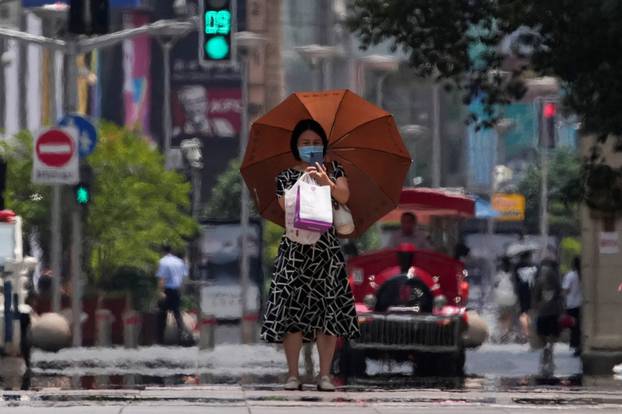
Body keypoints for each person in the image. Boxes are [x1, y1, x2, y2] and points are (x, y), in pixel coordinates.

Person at [260, 119, 359, 392]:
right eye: (306, 143)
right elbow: (284, 205)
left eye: (316, 143)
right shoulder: (285, 176)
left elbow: (344, 195)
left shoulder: (334, 170)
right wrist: (306, 180)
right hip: (295, 249)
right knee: (292, 314)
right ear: (296, 146)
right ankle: (293, 375)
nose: (311, 147)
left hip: (326, 250)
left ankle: (324, 375)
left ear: (324, 146)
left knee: (328, 312)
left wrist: (325, 180)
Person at [532, 259, 564, 377]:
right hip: (553, 313)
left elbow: (535, 297)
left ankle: (546, 351)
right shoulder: (556, 282)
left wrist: (535, 309)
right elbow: (560, 297)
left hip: (543, 313)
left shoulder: (540, 280)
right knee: (552, 337)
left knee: (543, 336)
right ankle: (549, 352)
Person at [156, 244, 189, 345]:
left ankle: (160, 339)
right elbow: (184, 278)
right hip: (177, 290)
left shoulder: (163, 261)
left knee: (162, 314)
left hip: (167, 290)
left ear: (162, 251)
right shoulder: (179, 262)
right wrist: (182, 291)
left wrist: (160, 291)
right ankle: (182, 336)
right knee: (177, 313)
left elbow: (162, 278)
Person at [513, 251, 537, 341]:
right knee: (531, 312)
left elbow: (515, 280)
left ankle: (525, 332)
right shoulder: (535, 266)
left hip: (521, 291)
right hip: (532, 291)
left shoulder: (517, 267)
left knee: (523, 312)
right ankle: (531, 332)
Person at [493, 256, 517, 343]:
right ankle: (506, 333)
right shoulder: (513, 274)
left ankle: (502, 333)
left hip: (500, 298)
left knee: (502, 317)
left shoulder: (499, 275)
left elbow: (495, 286)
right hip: (511, 298)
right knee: (509, 317)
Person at [562, 256, 582, 357]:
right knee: (579, 327)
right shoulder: (583, 275)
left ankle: (576, 346)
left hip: (571, 304)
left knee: (574, 328)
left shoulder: (570, 275)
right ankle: (580, 346)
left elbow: (565, 289)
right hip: (581, 304)